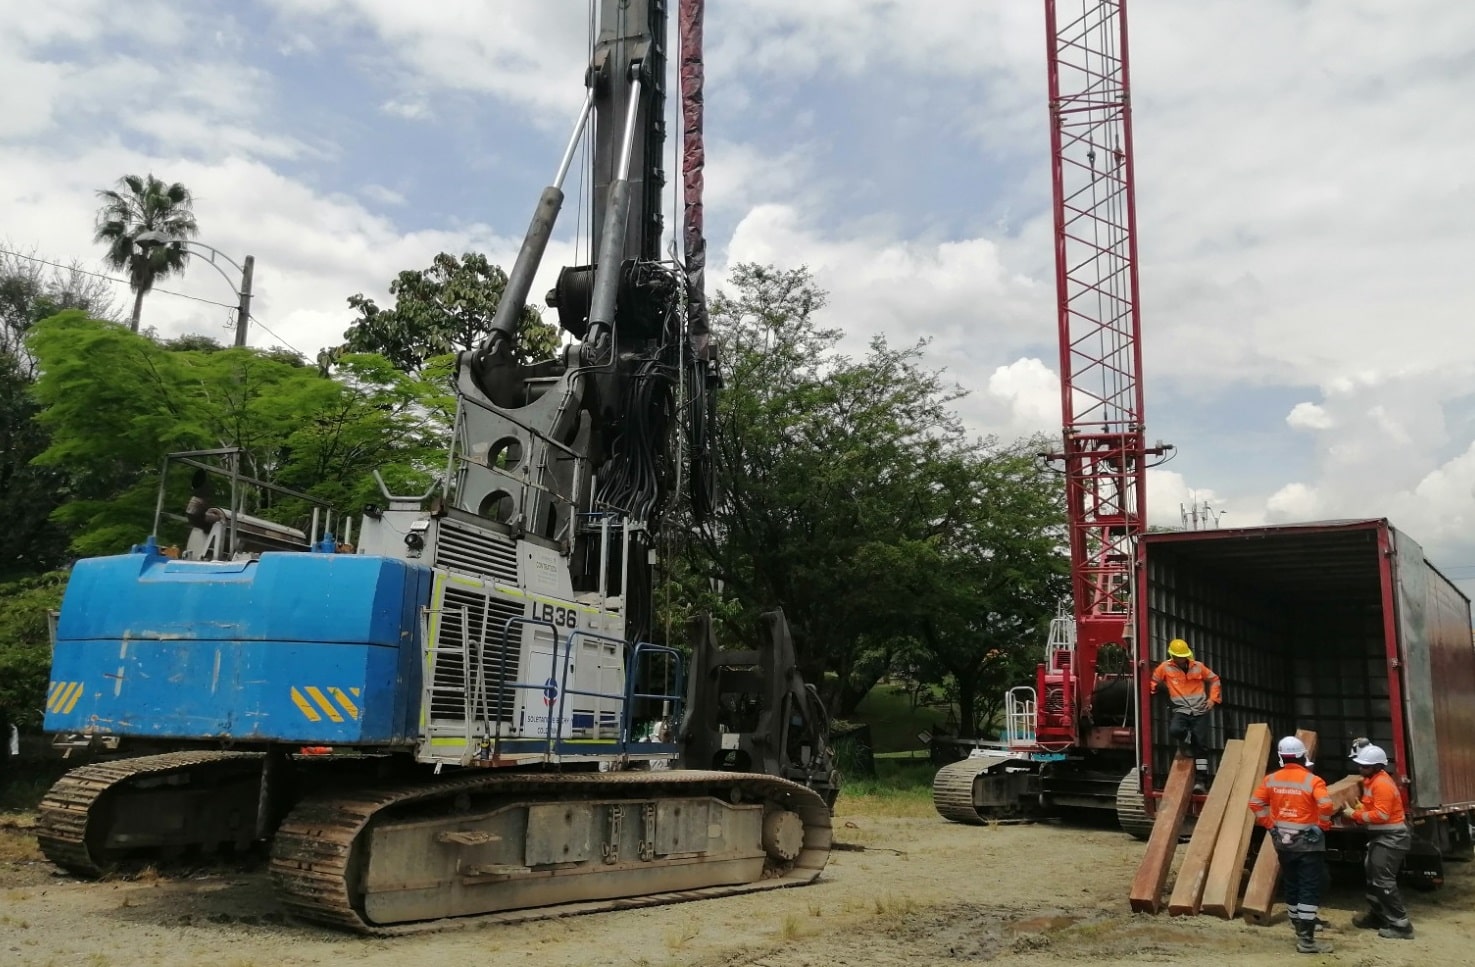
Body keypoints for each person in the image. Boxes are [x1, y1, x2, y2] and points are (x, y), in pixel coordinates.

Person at [1249, 735, 1336, 954]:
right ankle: (1306, 940)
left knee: (1292, 883)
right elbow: (1326, 805)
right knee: (1309, 887)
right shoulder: (1312, 780)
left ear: (1281, 757)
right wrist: (1322, 826)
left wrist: (1269, 825)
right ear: (1302, 756)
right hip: (1307, 843)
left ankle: (1298, 924)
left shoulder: (1271, 779)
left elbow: (1255, 803)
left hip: (1283, 842)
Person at [1342, 742, 1414, 940]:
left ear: (1377, 767)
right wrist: (1360, 810)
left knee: (1383, 880)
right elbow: (1371, 808)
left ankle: (1401, 925)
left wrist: (1354, 814)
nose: (1360, 768)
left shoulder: (1382, 784)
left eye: (1364, 766)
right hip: (1381, 837)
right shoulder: (1371, 781)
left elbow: (1382, 815)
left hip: (1391, 838)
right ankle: (1379, 916)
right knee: (1373, 875)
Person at [1149, 638, 1222, 761]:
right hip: (1181, 710)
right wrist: (1154, 690)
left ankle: (1201, 777)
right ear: (1172, 655)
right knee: (1175, 730)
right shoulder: (1164, 668)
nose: (1181, 659)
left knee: (1201, 747)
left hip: (1200, 710)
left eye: (1183, 656)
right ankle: (1189, 739)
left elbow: (1215, 679)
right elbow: (1153, 682)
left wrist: (1212, 699)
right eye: (1179, 657)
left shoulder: (1198, 666)